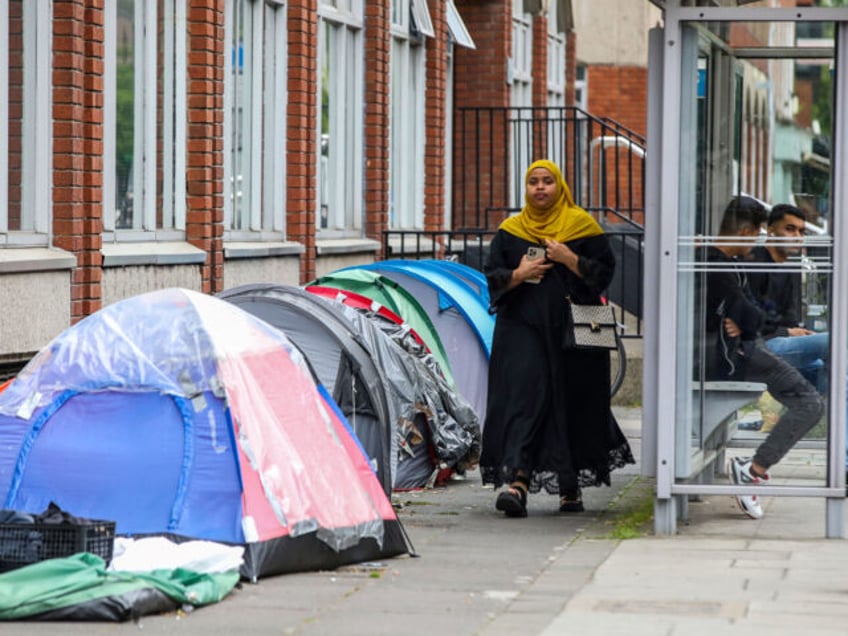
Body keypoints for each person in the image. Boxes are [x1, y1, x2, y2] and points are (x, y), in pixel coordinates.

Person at [480, 159, 634, 518]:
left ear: (560, 186)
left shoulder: (582, 226)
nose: (540, 188)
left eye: (547, 181)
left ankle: (570, 487)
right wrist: (519, 273)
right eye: (533, 181)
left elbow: (604, 274)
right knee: (523, 400)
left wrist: (570, 259)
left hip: (575, 332)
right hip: (522, 329)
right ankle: (517, 484)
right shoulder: (511, 230)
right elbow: (492, 276)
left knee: (572, 402)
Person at [704, 195, 825, 519]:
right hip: (739, 355)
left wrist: (744, 319)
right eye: (758, 233)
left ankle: (836, 457)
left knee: (827, 377)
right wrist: (745, 319)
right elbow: (752, 316)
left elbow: (750, 314)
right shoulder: (722, 266)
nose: (757, 242)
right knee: (814, 397)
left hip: (744, 348)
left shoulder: (730, 263)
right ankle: (753, 468)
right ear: (748, 232)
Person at [746, 204, 828, 392]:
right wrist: (787, 332)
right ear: (771, 229)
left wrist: (800, 332)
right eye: (790, 229)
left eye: (801, 231)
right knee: (835, 342)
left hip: (779, 342)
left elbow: (789, 318)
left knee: (839, 375)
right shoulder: (754, 263)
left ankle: (832, 414)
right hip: (758, 348)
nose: (797, 237)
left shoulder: (788, 267)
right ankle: (833, 413)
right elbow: (749, 322)